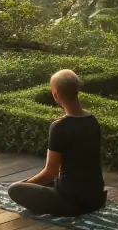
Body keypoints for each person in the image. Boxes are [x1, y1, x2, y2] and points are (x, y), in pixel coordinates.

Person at [8, 69, 106, 216]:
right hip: (96, 197)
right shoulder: (93, 121)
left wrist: (25, 184)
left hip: (71, 201)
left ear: (55, 95)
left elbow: (50, 172)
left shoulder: (59, 126)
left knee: (15, 189)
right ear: (77, 90)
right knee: (41, 183)